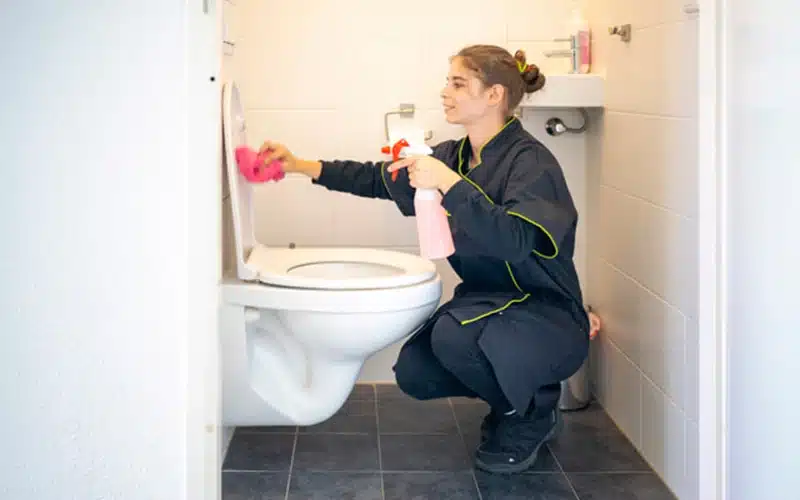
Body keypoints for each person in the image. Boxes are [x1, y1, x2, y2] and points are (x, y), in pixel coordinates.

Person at [258, 45, 590, 474]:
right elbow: (377, 179)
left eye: (458, 84)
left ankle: (531, 413)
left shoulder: (531, 162)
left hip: (546, 313)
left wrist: (450, 183)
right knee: (417, 371)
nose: (444, 92)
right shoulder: (453, 156)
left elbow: (514, 241)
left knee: (453, 337)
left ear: (494, 95)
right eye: (447, 82)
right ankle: (512, 401)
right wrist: (301, 165)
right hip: (488, 303)